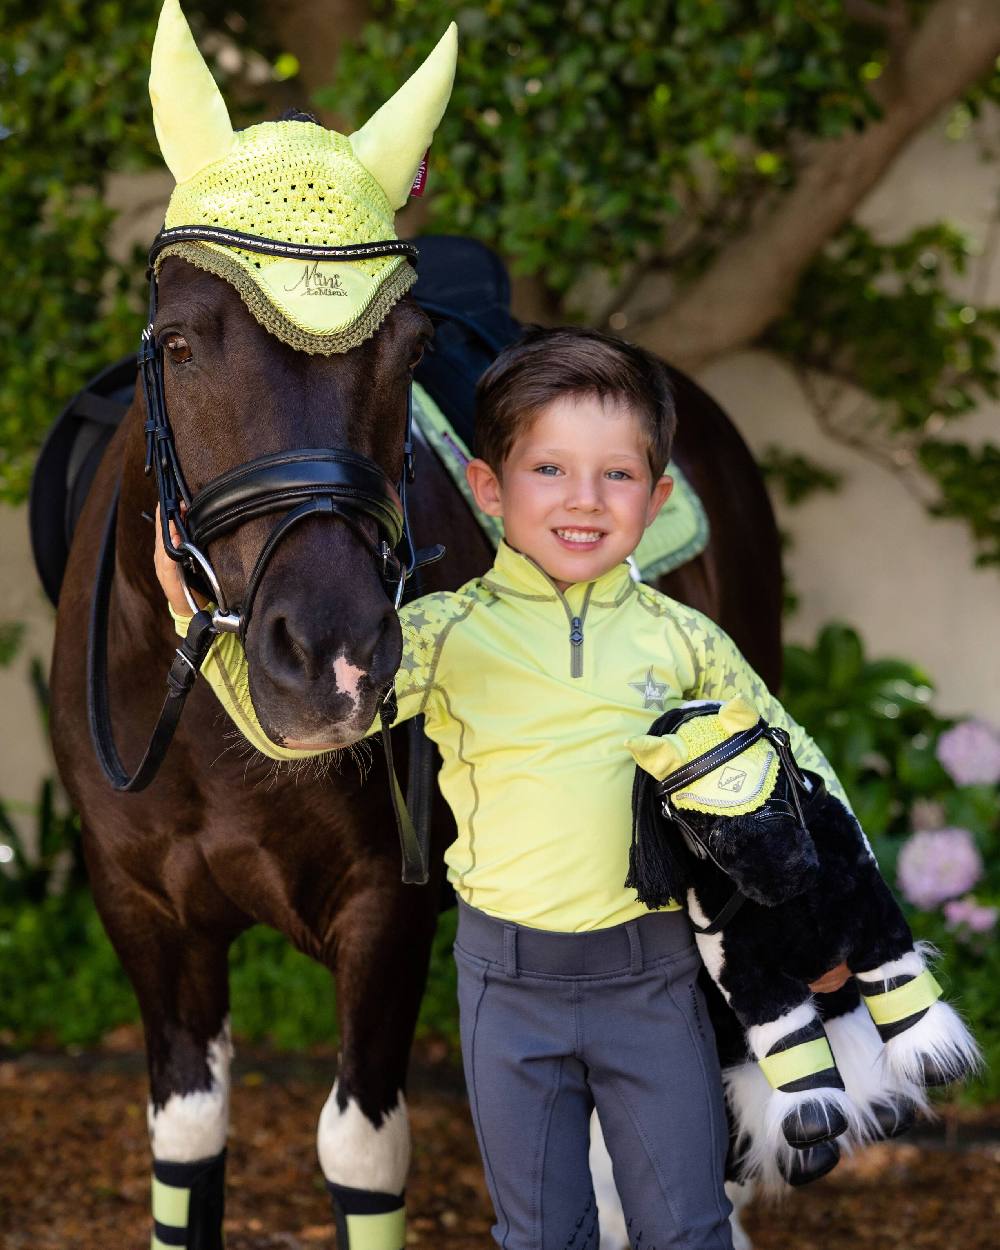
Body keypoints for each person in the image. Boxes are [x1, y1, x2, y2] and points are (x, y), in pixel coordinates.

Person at [157, 326, 850, 1250]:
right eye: (550, 471)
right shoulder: (447, 634)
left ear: (659, 497)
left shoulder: (685, 639)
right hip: (505, 988)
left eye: (617, 476)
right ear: (488, 491)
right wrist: (190, 615)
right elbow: (314, 725)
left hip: (650, 976)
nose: (584, 501)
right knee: (536, 1231)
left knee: (686, 1222)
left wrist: (834, 921)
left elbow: (794, 761)